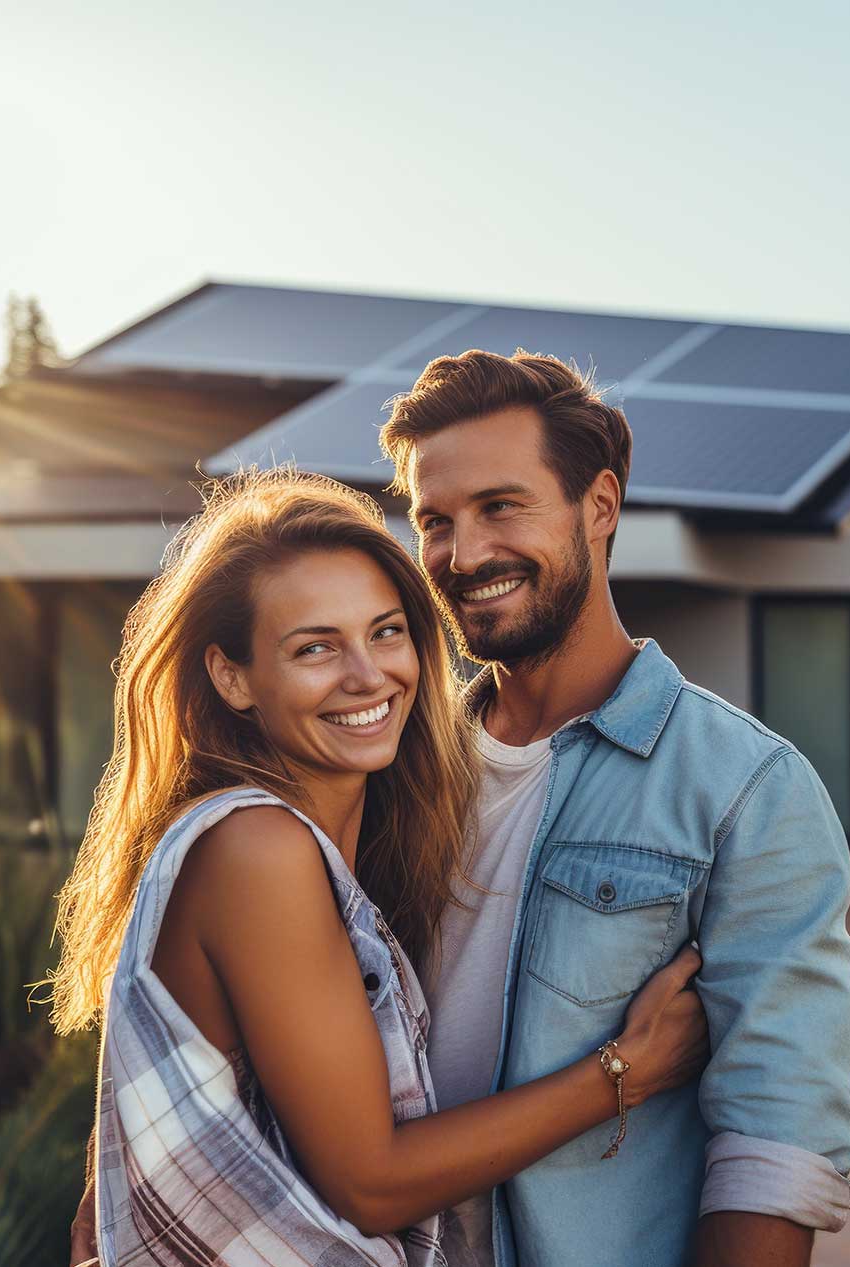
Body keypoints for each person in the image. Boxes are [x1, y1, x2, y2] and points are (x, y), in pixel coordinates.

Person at [49, 470, 711, 1266]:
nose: (367, 676)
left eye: (386, 631)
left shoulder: (296, 847)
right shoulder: (258, 847)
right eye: (315, 647)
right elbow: (369, 1182)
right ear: (232, 676)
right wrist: (622, 1073)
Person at [375, 349, 850, 1267]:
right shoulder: (395, 766)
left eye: (501, 506)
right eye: (434, 520)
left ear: (598, 506)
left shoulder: (747, 789)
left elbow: (774, 1151)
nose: (464, 554)